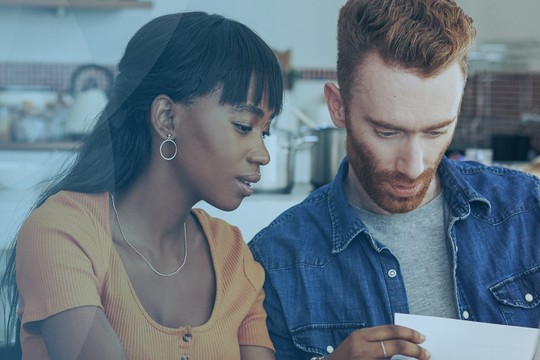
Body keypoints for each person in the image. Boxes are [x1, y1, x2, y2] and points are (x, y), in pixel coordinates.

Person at [248, 0, 540, 359]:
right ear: (338, 107)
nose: (413, 166)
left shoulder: (529, 210)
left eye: (436, 131)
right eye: (387, 132)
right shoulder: (276, 261)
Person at [1, 11, 283, 359]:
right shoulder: (63, 232)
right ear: (166, 117)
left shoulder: (232, 254)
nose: (263, 154)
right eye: (243, 125)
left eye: (265, 131)